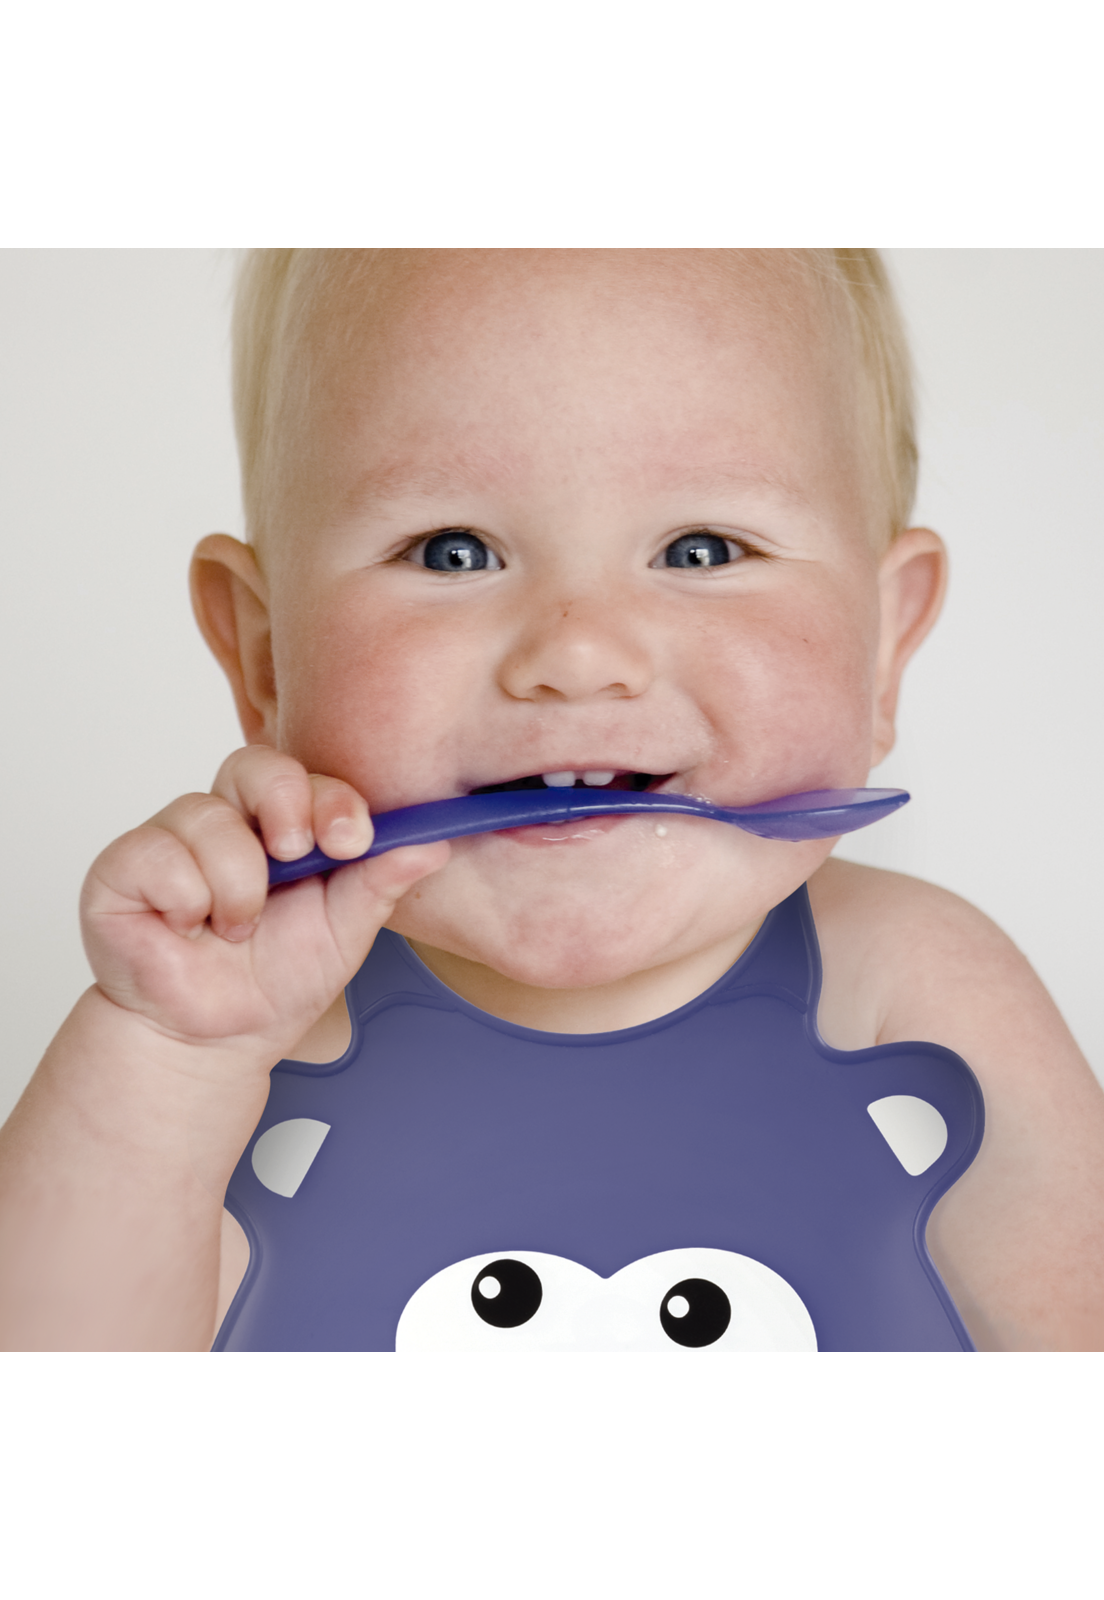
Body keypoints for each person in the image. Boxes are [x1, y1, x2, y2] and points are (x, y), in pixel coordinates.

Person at [1, 248, 1101, 1351]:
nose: (577, 655)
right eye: (452, 553)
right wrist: (171, 1054)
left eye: (702, 550)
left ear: (884, 649)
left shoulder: (915, 984)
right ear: (265, 657)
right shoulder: (240, 1023)